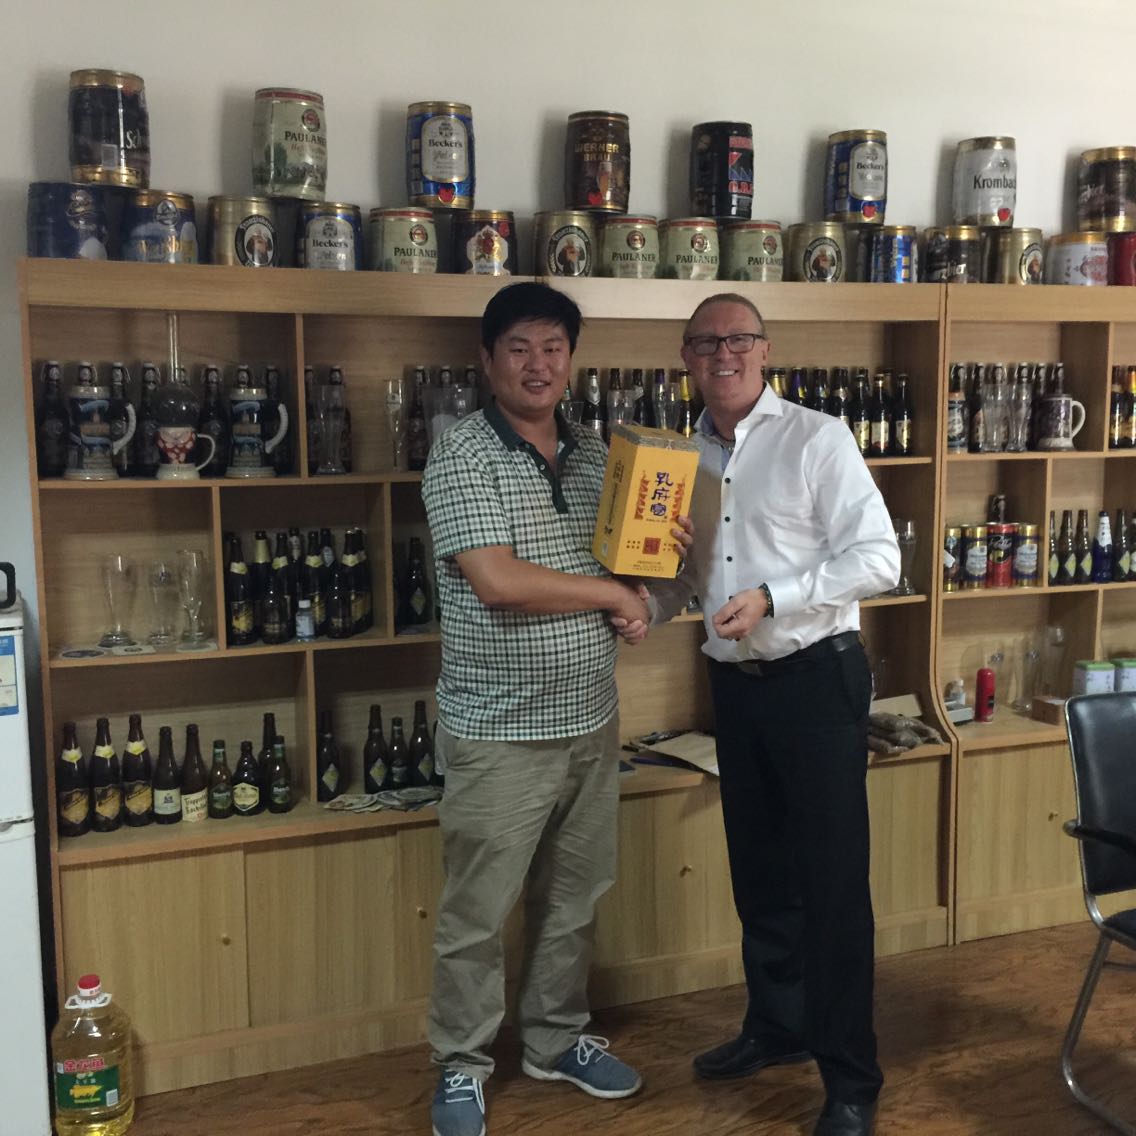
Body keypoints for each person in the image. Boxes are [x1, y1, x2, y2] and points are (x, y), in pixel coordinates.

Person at [639, 293, 899, 1136]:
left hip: (816, 681)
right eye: (706, 342)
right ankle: (777, 1026)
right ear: (686, 357)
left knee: (832, 886)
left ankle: (851, 1079)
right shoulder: (681, 457)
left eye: (740, 339)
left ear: (765, 349)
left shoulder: (817, 438)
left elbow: (879, 557)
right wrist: (644, 605)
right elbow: (695, 576)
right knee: (760, 875)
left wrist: (774, 597)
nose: (725, 353)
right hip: (737, 689)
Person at [422, 281, 655, 1136]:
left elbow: (629, 566)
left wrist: (649, 579)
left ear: (571, 360)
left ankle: (555, 1040)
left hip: (592, 720)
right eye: (518, 347)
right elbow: (498, 580)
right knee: (477, 914)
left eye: (553, 348)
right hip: (498, 733)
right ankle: (461, 1064)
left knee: (574, 898)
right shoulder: (461, 455)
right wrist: (611, 594)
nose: (537, 364)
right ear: (487, 361)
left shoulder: (596, 453)